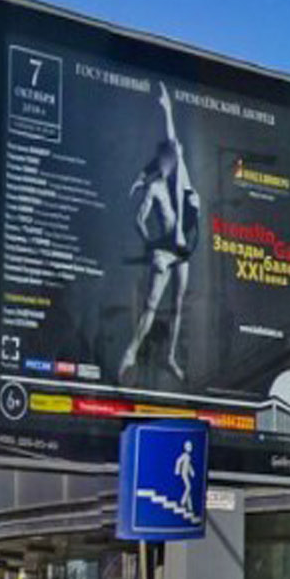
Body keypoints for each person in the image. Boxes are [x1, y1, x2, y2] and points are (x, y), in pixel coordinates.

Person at [119, 82, 201, 381]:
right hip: (165, 250)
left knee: (178, 303)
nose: (175, 154)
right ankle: (131, 352)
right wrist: (150, 245)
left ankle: (169, 356)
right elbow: (138, 219)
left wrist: (168, 110)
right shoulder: (155, 186)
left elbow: (172, 138)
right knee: (152, 303)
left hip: (182, 249)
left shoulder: (181, 176)